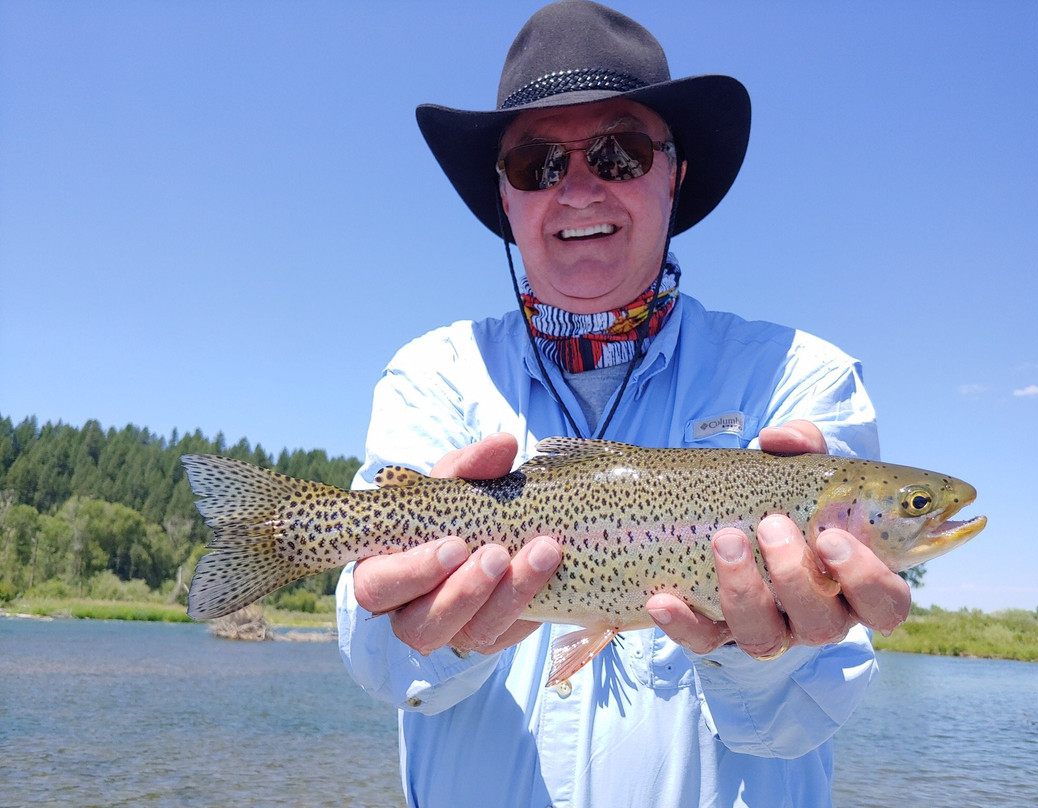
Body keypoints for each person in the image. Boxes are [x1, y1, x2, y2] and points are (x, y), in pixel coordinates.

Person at [336, 3, 911, 806]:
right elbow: (385, 673)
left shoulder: (802, 379)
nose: (576, 188)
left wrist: (766, 649)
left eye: (619, 151)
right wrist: (421, 631)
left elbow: (795, 727)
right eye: (536, 161)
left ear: (673, 173)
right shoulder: (432, 374)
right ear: (505, 196)